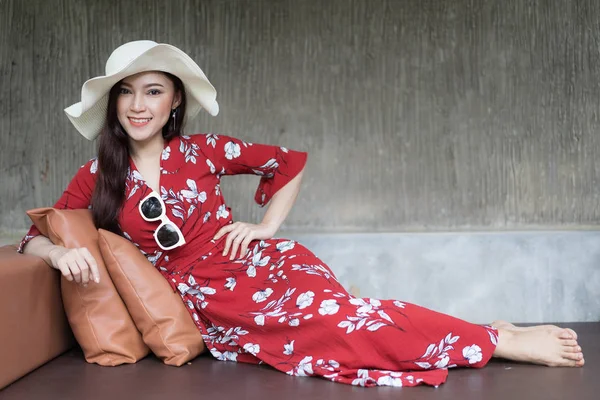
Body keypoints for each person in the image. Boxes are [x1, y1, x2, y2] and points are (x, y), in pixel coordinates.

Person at [19, 40, 584, 388]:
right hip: (215, 301)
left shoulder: (204, 151)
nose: (139, 105)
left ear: (174, 103)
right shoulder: (98, 178)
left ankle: (494, 339)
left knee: (349, 316)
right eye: (127, 93)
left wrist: (264, 228)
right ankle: (490, 334)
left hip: (266, 265)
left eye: (153, 91)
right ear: (114, 103)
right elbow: (30, 240)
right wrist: (62, 250)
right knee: (341, 330)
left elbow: (288, 163)